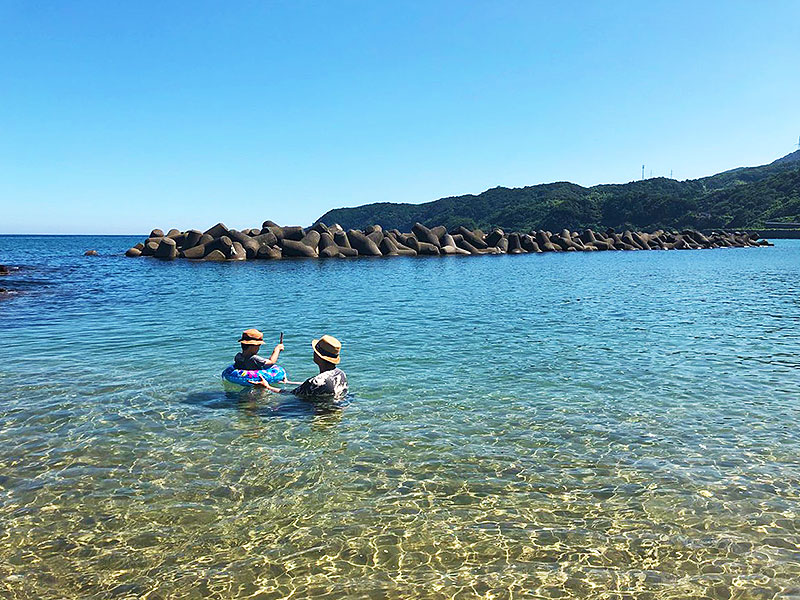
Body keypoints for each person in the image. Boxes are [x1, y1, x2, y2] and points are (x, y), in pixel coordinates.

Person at [255, 334, 348, 398]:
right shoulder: (341, 374)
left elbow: (291, 394)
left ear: (318, 356)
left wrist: (267, 387)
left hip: (318, 414)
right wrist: (289, 383)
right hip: (336, 411)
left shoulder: (316, 382)